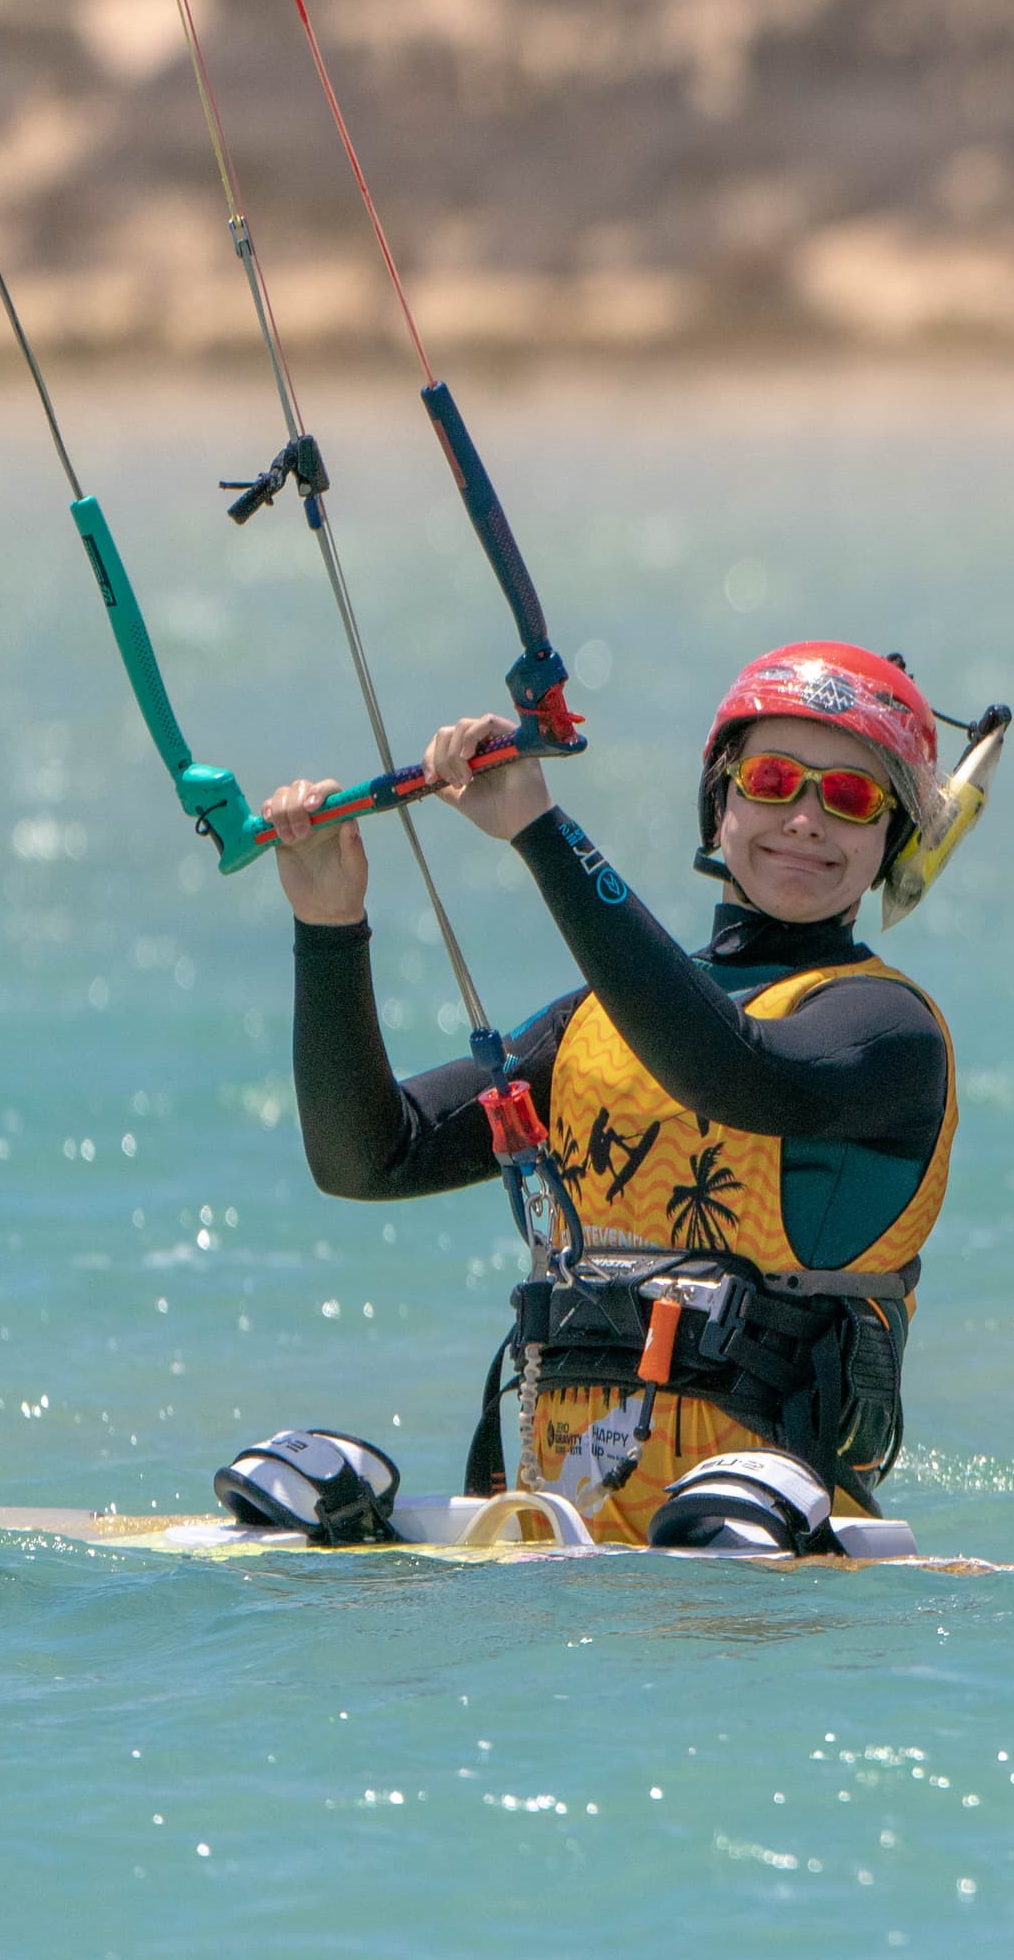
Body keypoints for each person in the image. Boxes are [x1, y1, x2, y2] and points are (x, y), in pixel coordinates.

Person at [212, 644, 962, 1551]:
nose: (804, 818)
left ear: (892, 841)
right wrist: (328, 924)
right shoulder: (593, 1028)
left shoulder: (887, 1032)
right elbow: (368, 1157)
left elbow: (728, 1072)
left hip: (770, 1552)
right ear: (720, 802)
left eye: (849, 798)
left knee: (725, 1523)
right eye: (772, 780)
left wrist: (541, 830)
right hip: (554, 1550)